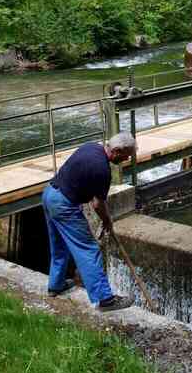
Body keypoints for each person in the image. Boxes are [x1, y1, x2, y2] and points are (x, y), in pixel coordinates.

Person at [42, 132, 136, 311]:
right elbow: (97, 203)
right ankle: (105, 299)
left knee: (59, 245)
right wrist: (108, 221)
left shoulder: (90, 146)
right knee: (89, 249)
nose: (127, 159)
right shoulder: (102, 170)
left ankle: (55, 285)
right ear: (116, 151)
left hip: (49, 194)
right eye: (126, 155)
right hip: (63, 205)